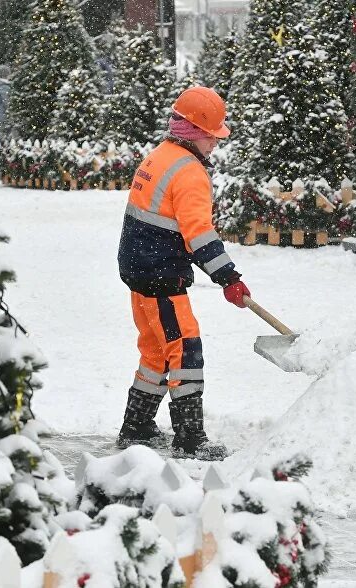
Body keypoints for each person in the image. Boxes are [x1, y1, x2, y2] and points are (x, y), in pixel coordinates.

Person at [116, 86, 249, 461]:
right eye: (212, 137)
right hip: (160, 276)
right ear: (196, 131)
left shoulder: (160, 156)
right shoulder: (189, 173)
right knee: (185, 349)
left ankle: (136, 426)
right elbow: (199, 235)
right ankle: (190, 438)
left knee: (157, 350)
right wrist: (229, 278)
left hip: (139, 272)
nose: (215, 145)